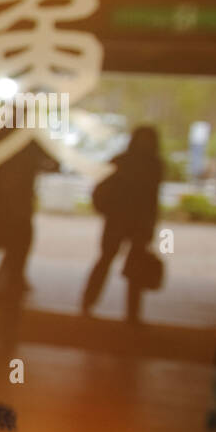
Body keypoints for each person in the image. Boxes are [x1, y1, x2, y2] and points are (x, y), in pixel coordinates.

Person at [81, 125, 164, 323]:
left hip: (122, 220)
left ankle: (92, 303)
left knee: (116, 263)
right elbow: (152, 199)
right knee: (123, 265)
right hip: (130, 221)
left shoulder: (123, 161)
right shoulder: (153, 165)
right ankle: (128, 313)